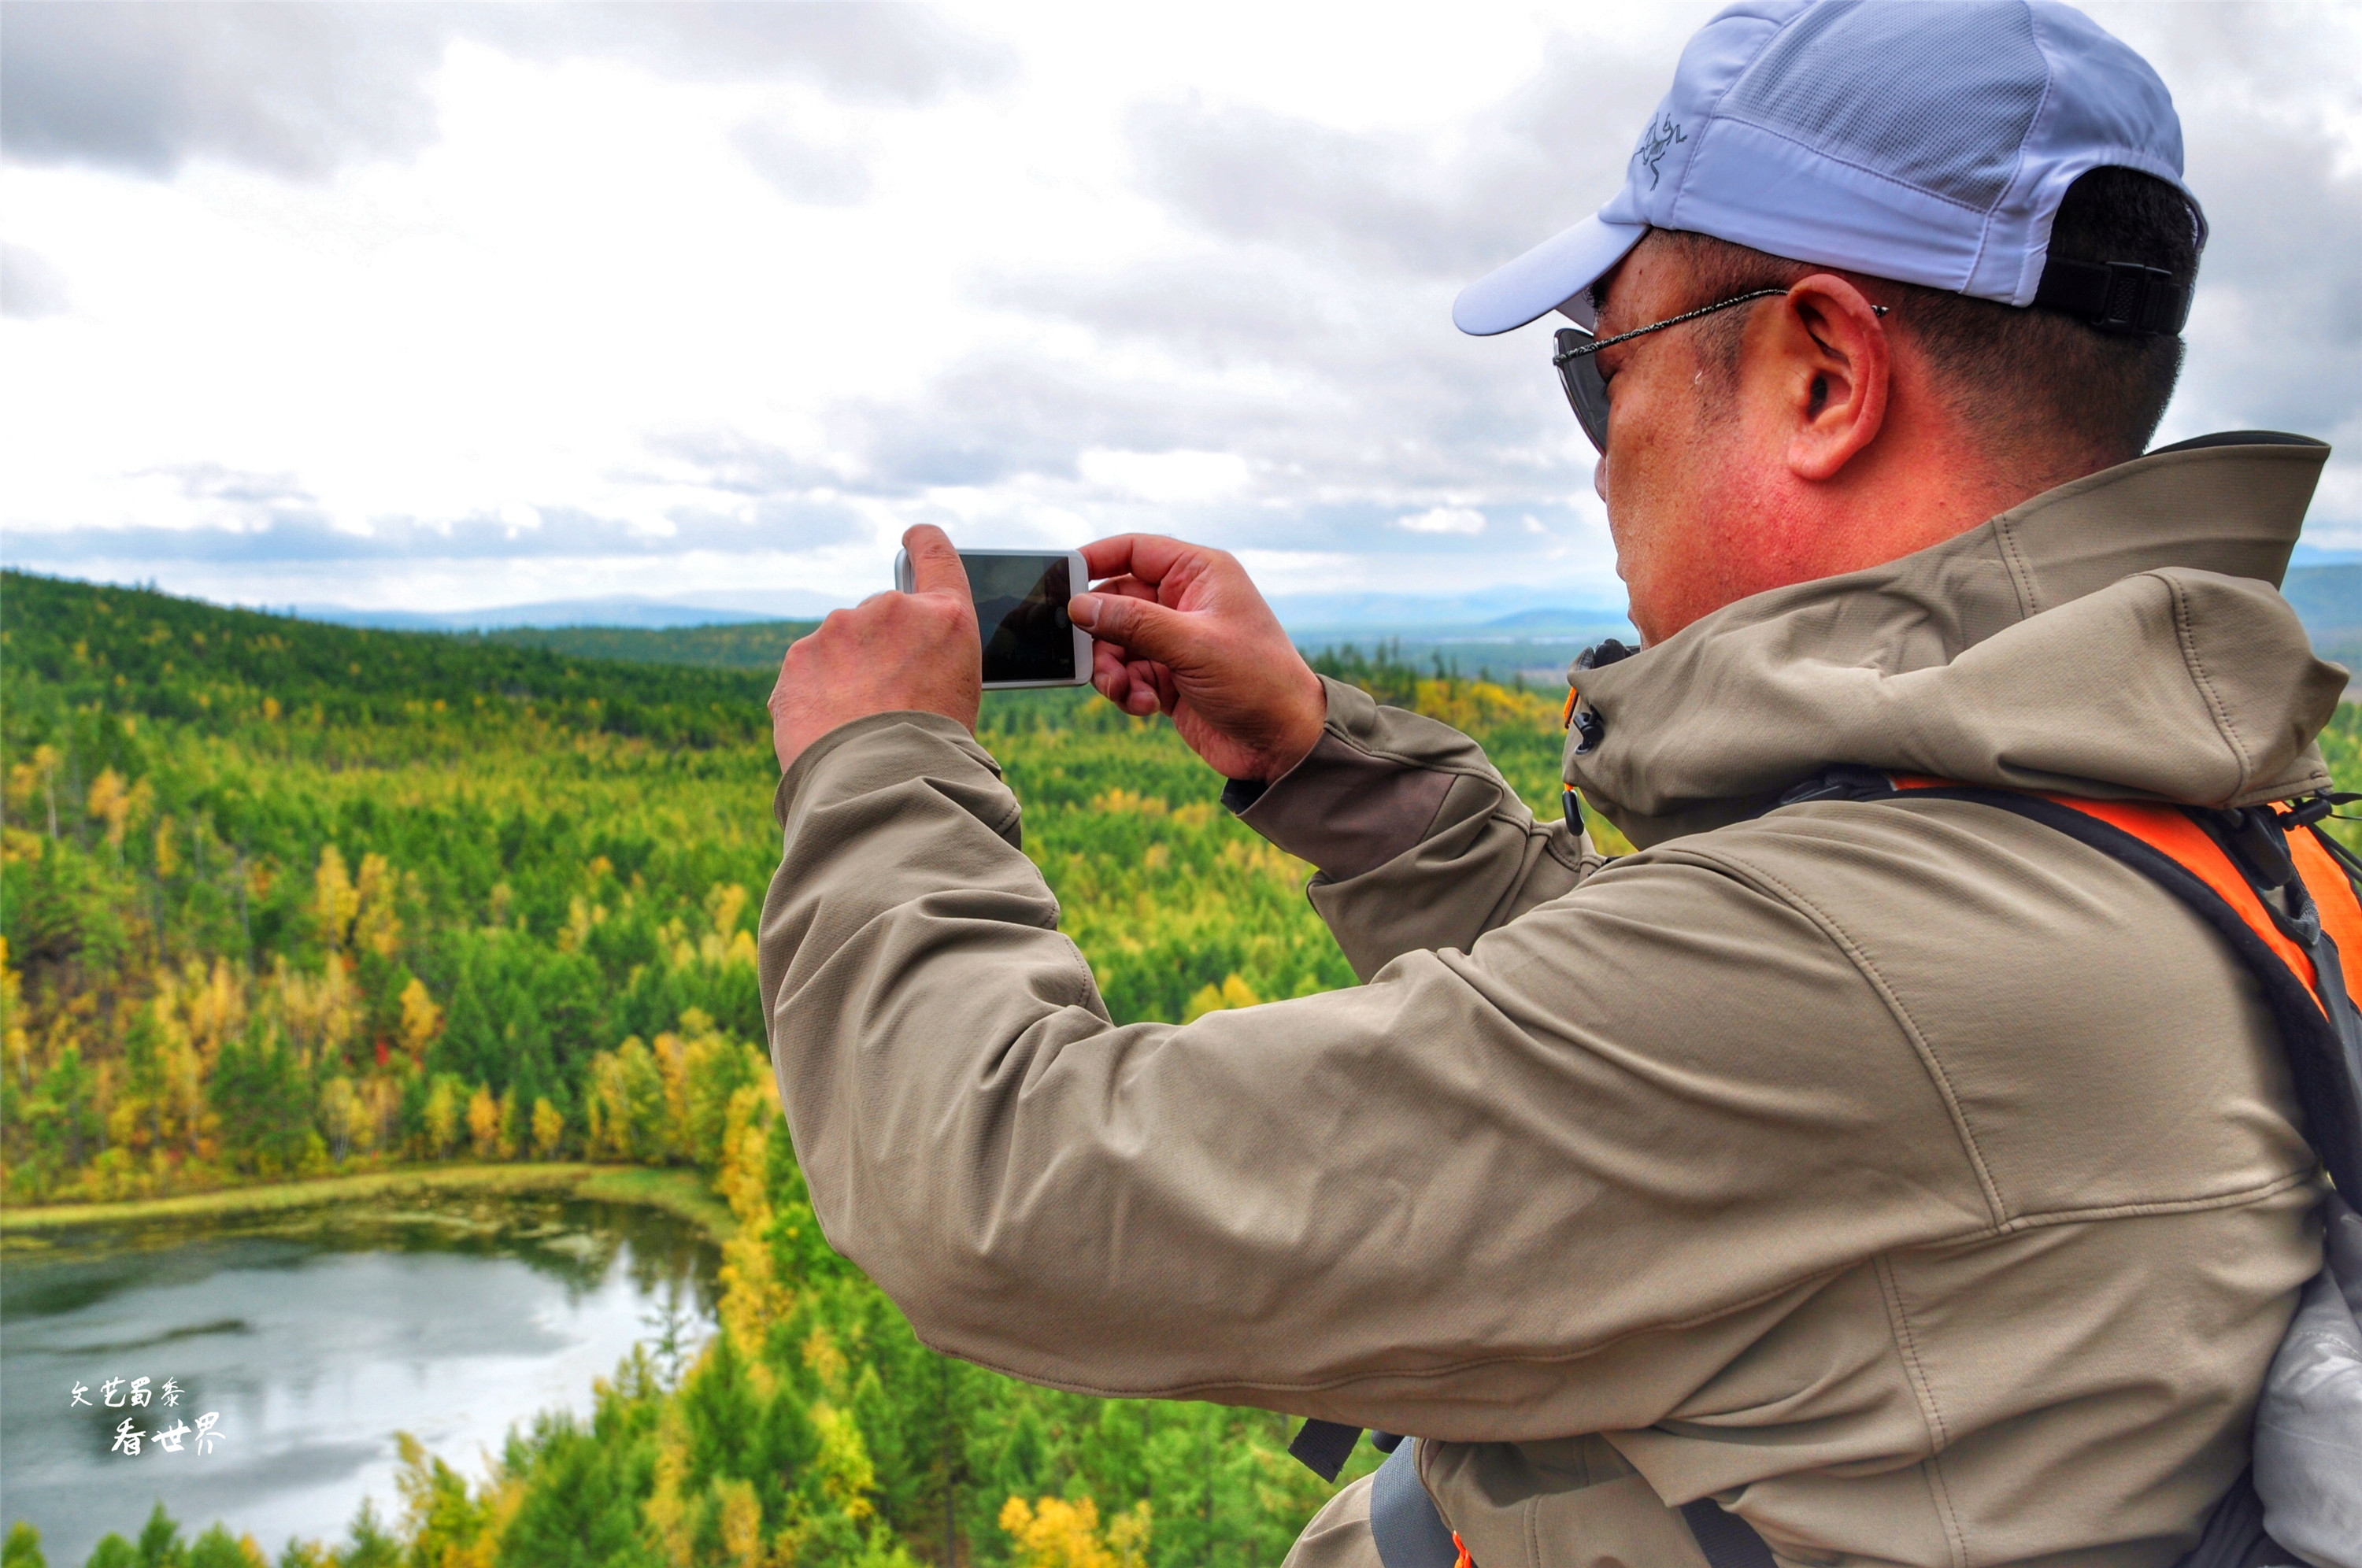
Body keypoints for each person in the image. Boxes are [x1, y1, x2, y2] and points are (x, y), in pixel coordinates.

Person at [757, 2, 2346, 1562]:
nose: (1598, 449)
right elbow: (1674, 1005)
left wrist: (878, 759)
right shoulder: (2187, 824)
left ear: (1823, 378)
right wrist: (1320, 756)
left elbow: (998, 1192)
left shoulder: (1864, 981)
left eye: (1601, 364)